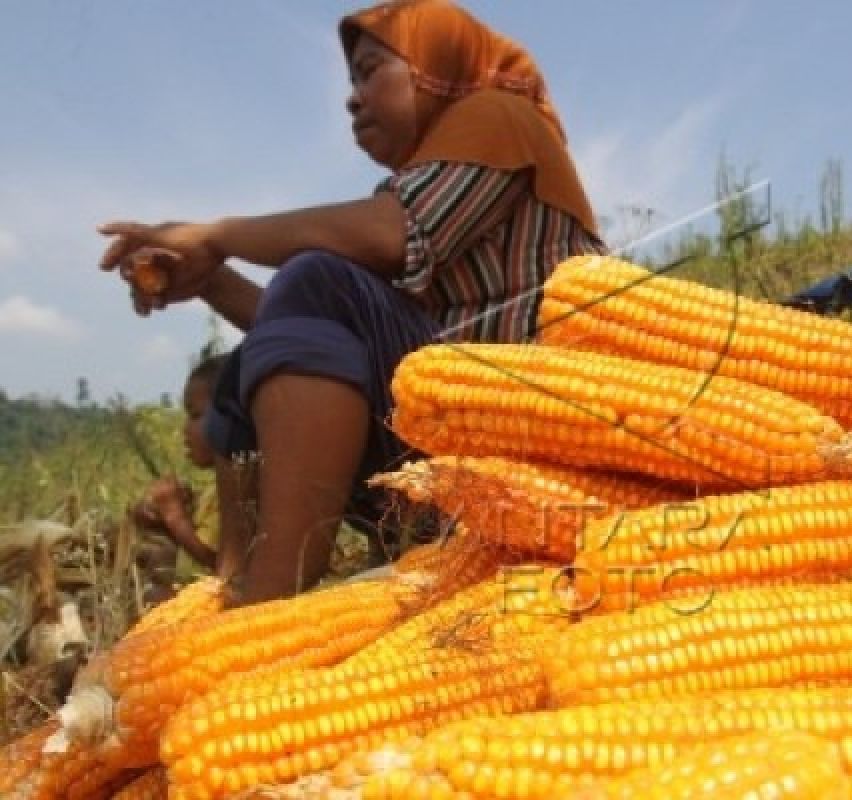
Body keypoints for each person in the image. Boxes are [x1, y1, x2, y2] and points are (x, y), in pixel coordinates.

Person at [98, 0, 606, 606]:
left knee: (320, 278)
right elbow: (315, 352)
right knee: (248, 365)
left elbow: (387, 238)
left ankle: (268, 600)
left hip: (523, 445)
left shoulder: (497, 116)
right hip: (446, 444)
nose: (352, 96)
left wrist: (214, 234)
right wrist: (211, 277)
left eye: (371, 70)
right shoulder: (421, 186)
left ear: (434, 68)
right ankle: (234, 581)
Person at [131, 354, 226, 598]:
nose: (185, 430)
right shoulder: (214, 490)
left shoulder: (237, 495)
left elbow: (218, 560)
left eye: (195, 416)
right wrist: (158, 517)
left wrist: (174, 517)